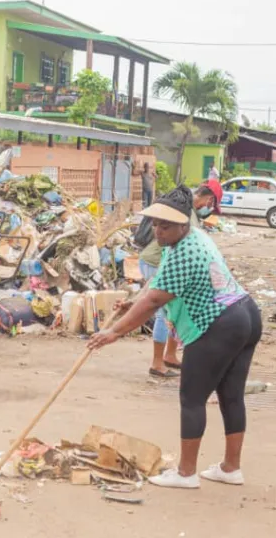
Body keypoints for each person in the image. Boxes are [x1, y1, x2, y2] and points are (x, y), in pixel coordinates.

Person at [92, 186, 262, 489]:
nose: (158, 231)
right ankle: (230, 468)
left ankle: (186, 473)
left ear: (183, 224)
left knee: (192, 399)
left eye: (165, 225)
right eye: (155, 224)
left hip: (217, 324)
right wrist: (134, 300)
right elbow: (156, 284)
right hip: (244, 313)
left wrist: (114, 332)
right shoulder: (192, 237)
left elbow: (155, 302)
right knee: (231, 395)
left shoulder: (185, 251)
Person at [136, 184, 221, 378]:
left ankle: (170, 355)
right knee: (163, 313)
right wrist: (114, 332)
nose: (158, 230)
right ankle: (157, 363)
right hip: (153, 260)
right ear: (208, 199)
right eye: (157, 226)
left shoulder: (188, 218)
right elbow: (153, 297)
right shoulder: (184, 216)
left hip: (159, 260)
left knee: (174, 310)